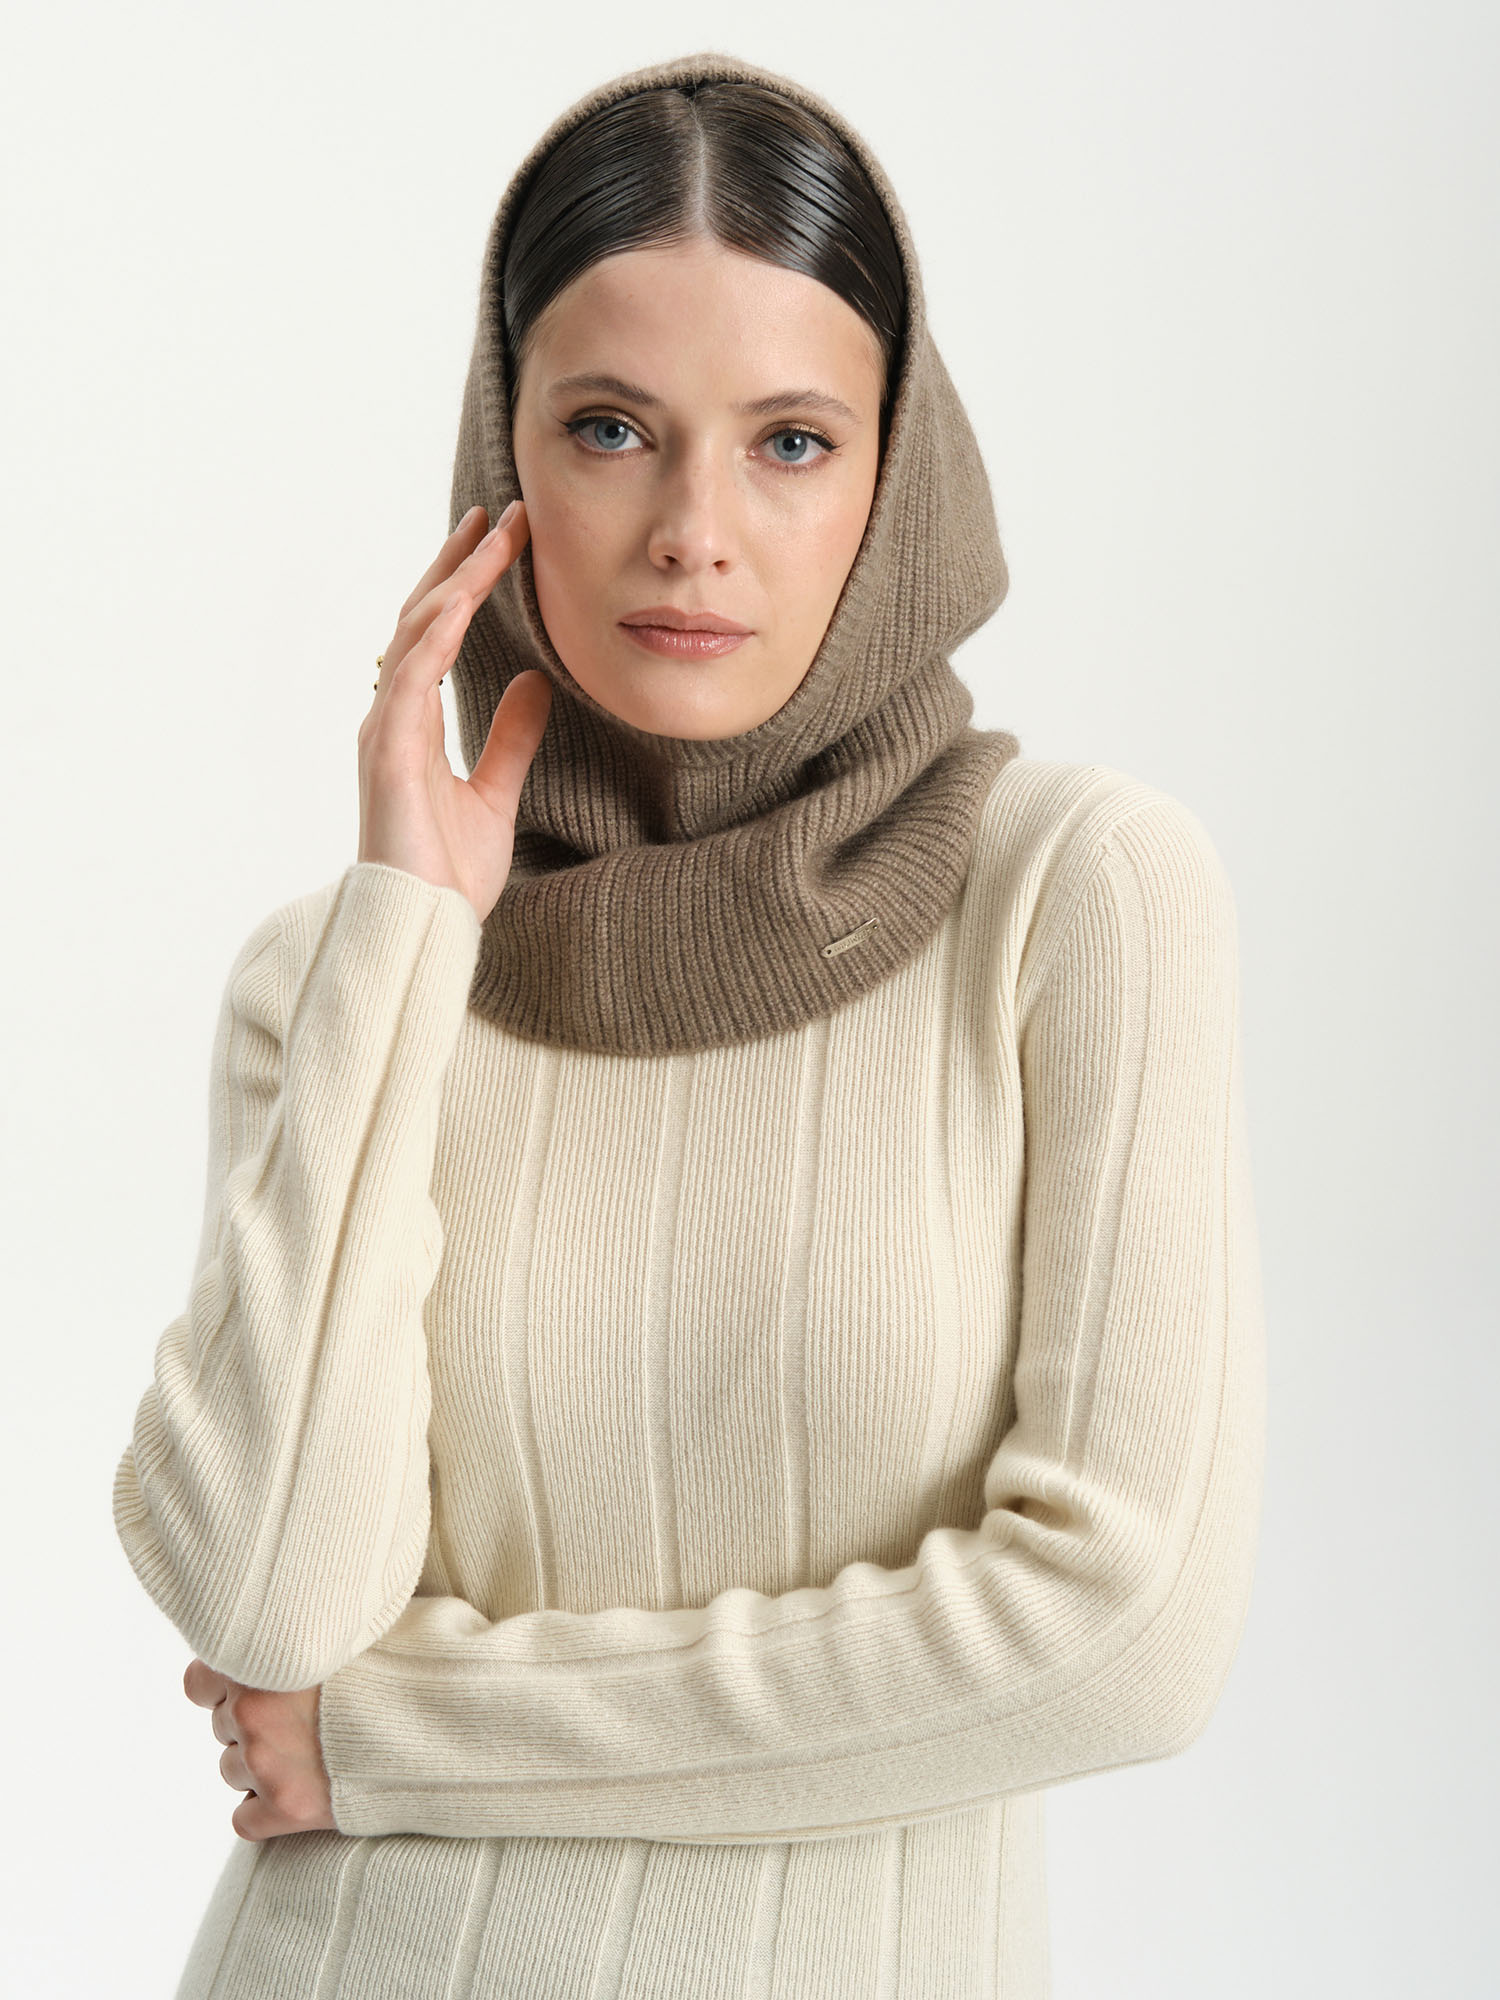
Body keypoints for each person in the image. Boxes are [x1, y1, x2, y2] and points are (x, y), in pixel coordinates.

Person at [113, 48, 1266, 2000]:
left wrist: (400, 1738)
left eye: (791, 441)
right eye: (610, 429)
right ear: (501, 471)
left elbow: (1125, 1631)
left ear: (900, 476)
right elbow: (269, 1596)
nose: (693, 530)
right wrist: (407, 929)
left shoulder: (1076, 897)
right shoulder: (334, 975)